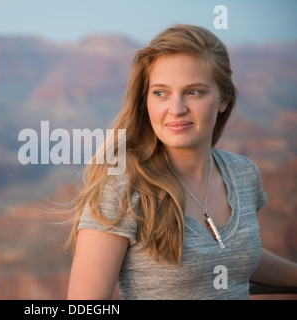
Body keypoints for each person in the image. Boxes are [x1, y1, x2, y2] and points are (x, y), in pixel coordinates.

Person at [67, 24, 297, 300]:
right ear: (146, 101)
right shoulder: (121, 189)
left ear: (224, 99)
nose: (175, 109)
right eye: (161, 93)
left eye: (194, 92)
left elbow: (238, 255)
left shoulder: (243, 175)